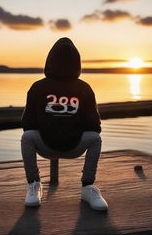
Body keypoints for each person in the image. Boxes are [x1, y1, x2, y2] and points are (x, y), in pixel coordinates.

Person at [21, 37, 108, 211]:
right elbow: (93, 125)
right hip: (64, 146)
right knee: (94, 138)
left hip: (54, 145)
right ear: (77, 63)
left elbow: (28, 122)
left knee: (27, 136)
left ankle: (86, 189)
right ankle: (35, 185)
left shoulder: (40, 86)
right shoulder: (81, 87)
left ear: (49, 60)